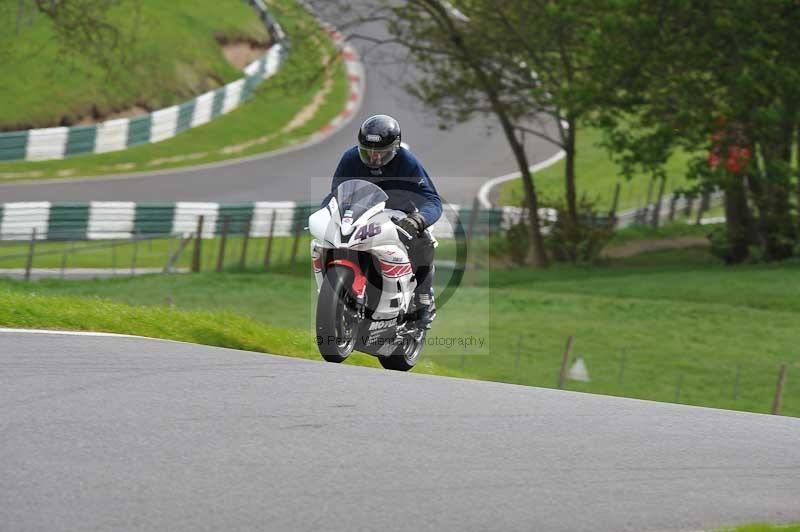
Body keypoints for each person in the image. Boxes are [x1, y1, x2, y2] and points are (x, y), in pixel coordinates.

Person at [323, 114, 441, 329]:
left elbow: (432, 199)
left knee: (424, 239)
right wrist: (324, 215)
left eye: (382, 153)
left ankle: (423, 295)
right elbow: (335, 193)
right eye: (367, 151)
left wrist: (418, 219)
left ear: (395, 148)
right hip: (360, 211)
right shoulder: (350, 159)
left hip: (398, 213)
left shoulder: (407, 162)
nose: (374, 158)